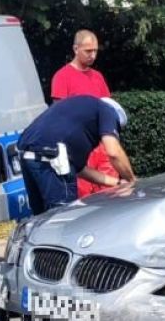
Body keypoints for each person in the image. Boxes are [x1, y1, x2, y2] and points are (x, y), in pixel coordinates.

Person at [17, 95, 136, 215]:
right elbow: (114, 152)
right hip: (53, 157)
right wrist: (132, 180)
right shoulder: (107, 110)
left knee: (41, 218)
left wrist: (118, 183)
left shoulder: (78, 113)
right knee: (63, 217)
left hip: (27, 154)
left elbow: (81, 170)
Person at [50, 30, 116, 197]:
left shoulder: (98, 77)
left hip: (100, 145)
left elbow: (107, 109)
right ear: (75, 49)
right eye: (88, 51)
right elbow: (59, 116)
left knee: (112, 193)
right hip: (79, 146)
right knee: (83, 195)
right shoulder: (62, 77)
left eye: (95, 51)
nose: (92, 55)